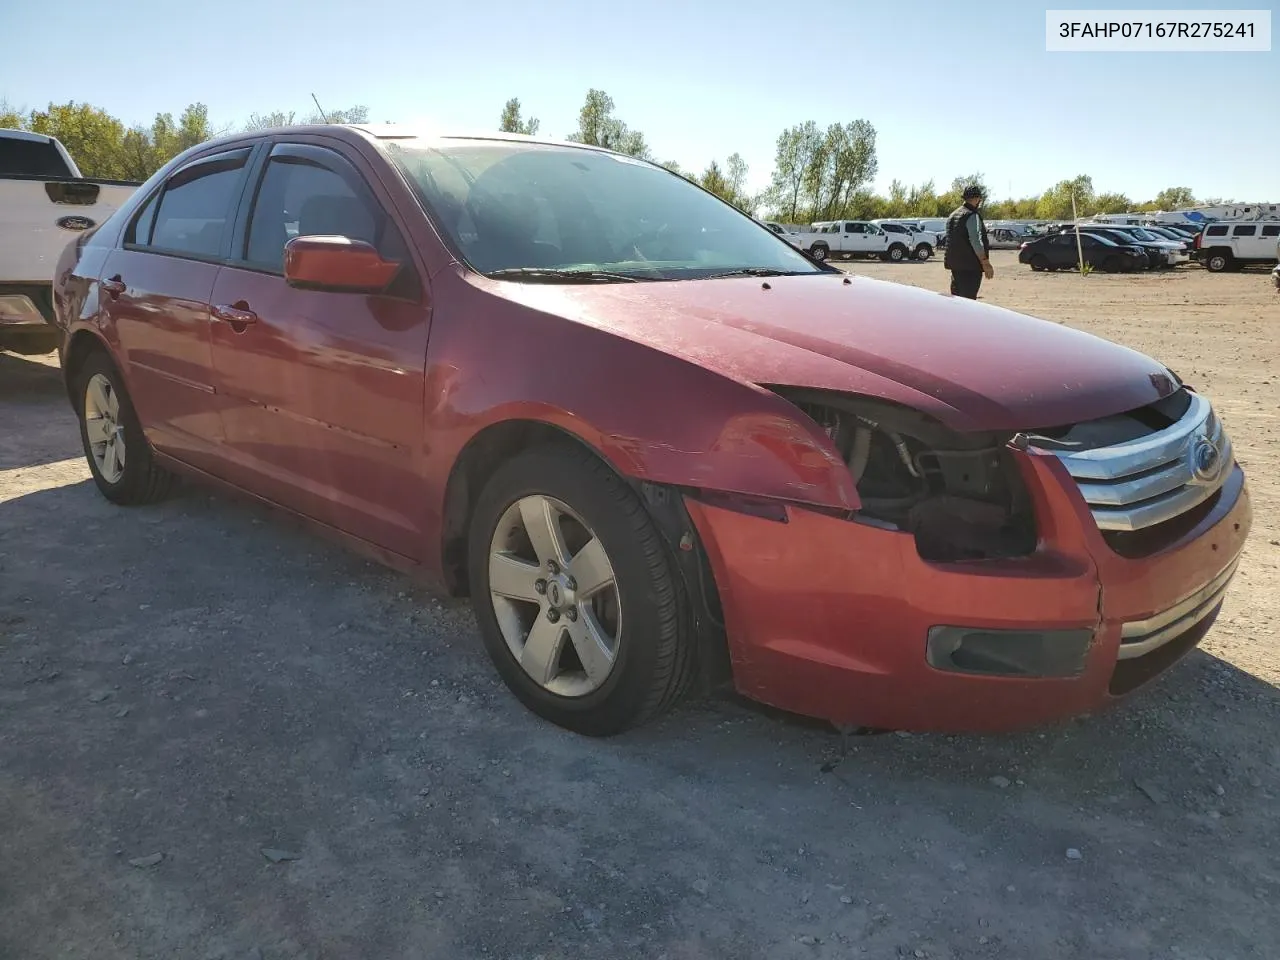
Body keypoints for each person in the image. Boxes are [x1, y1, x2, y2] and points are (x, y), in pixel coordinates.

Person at [943, 186, 993, 299]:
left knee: (957, 301)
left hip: (955, 266)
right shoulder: (972, 215)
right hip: (970, 267)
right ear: (977, 199)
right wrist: (985, 262)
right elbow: (976, 240)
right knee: (968, 300)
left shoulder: (953, 215)